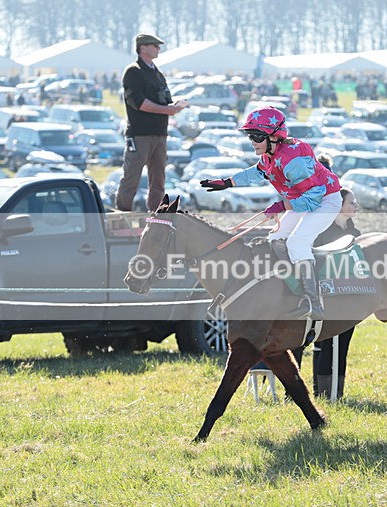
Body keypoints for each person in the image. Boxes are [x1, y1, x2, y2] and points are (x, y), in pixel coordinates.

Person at [200, 107, 342, 320]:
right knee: (275, 238)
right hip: (302, 199)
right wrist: (227, 182)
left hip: (325, 200)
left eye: (257, 136)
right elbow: (256, 172)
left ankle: (314, 303)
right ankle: (297, 286)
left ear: (275, 136)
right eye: (251, 137)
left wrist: (282, 206)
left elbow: (313, 199)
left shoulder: (292, 161)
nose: (253, 142)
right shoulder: (270, 155)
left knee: (296, 243)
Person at [116, 33, 189, 212]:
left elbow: (165, 100)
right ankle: (122, 215)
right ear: (143, 48)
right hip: (140, 134)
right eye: (155, 45)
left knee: (158, 181)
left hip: (159, 133)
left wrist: (175, 106)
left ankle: (156, 216)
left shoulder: (158, 74)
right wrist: (167, 110)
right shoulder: (134, 71)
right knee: (131, 178)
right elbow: (139, 103)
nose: (158, 49)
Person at [312, 188, 360, 398]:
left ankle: (337, 393)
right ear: (340, 205)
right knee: (326, 345)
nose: (355, 206)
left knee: (343, 345)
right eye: (351, 202)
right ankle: (323, 393)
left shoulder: (355, 234)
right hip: (328, 297)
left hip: (350, 297)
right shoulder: (321, 232)